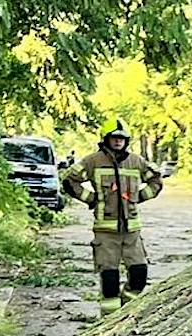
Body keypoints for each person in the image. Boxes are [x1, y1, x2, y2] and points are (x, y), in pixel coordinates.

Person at [61, 119, 164, 314]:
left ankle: (126, 308)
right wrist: (92, 199)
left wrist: (139, 197)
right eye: (114, 138)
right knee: (109, 279)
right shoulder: (93, 161)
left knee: (139, 274)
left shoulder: (136, 161)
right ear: (106, 139)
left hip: (131, 232)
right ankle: (109, 319)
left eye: (122, 138)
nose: (118, 142)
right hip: (105, 232)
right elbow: (70, 181)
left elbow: (156, 181)